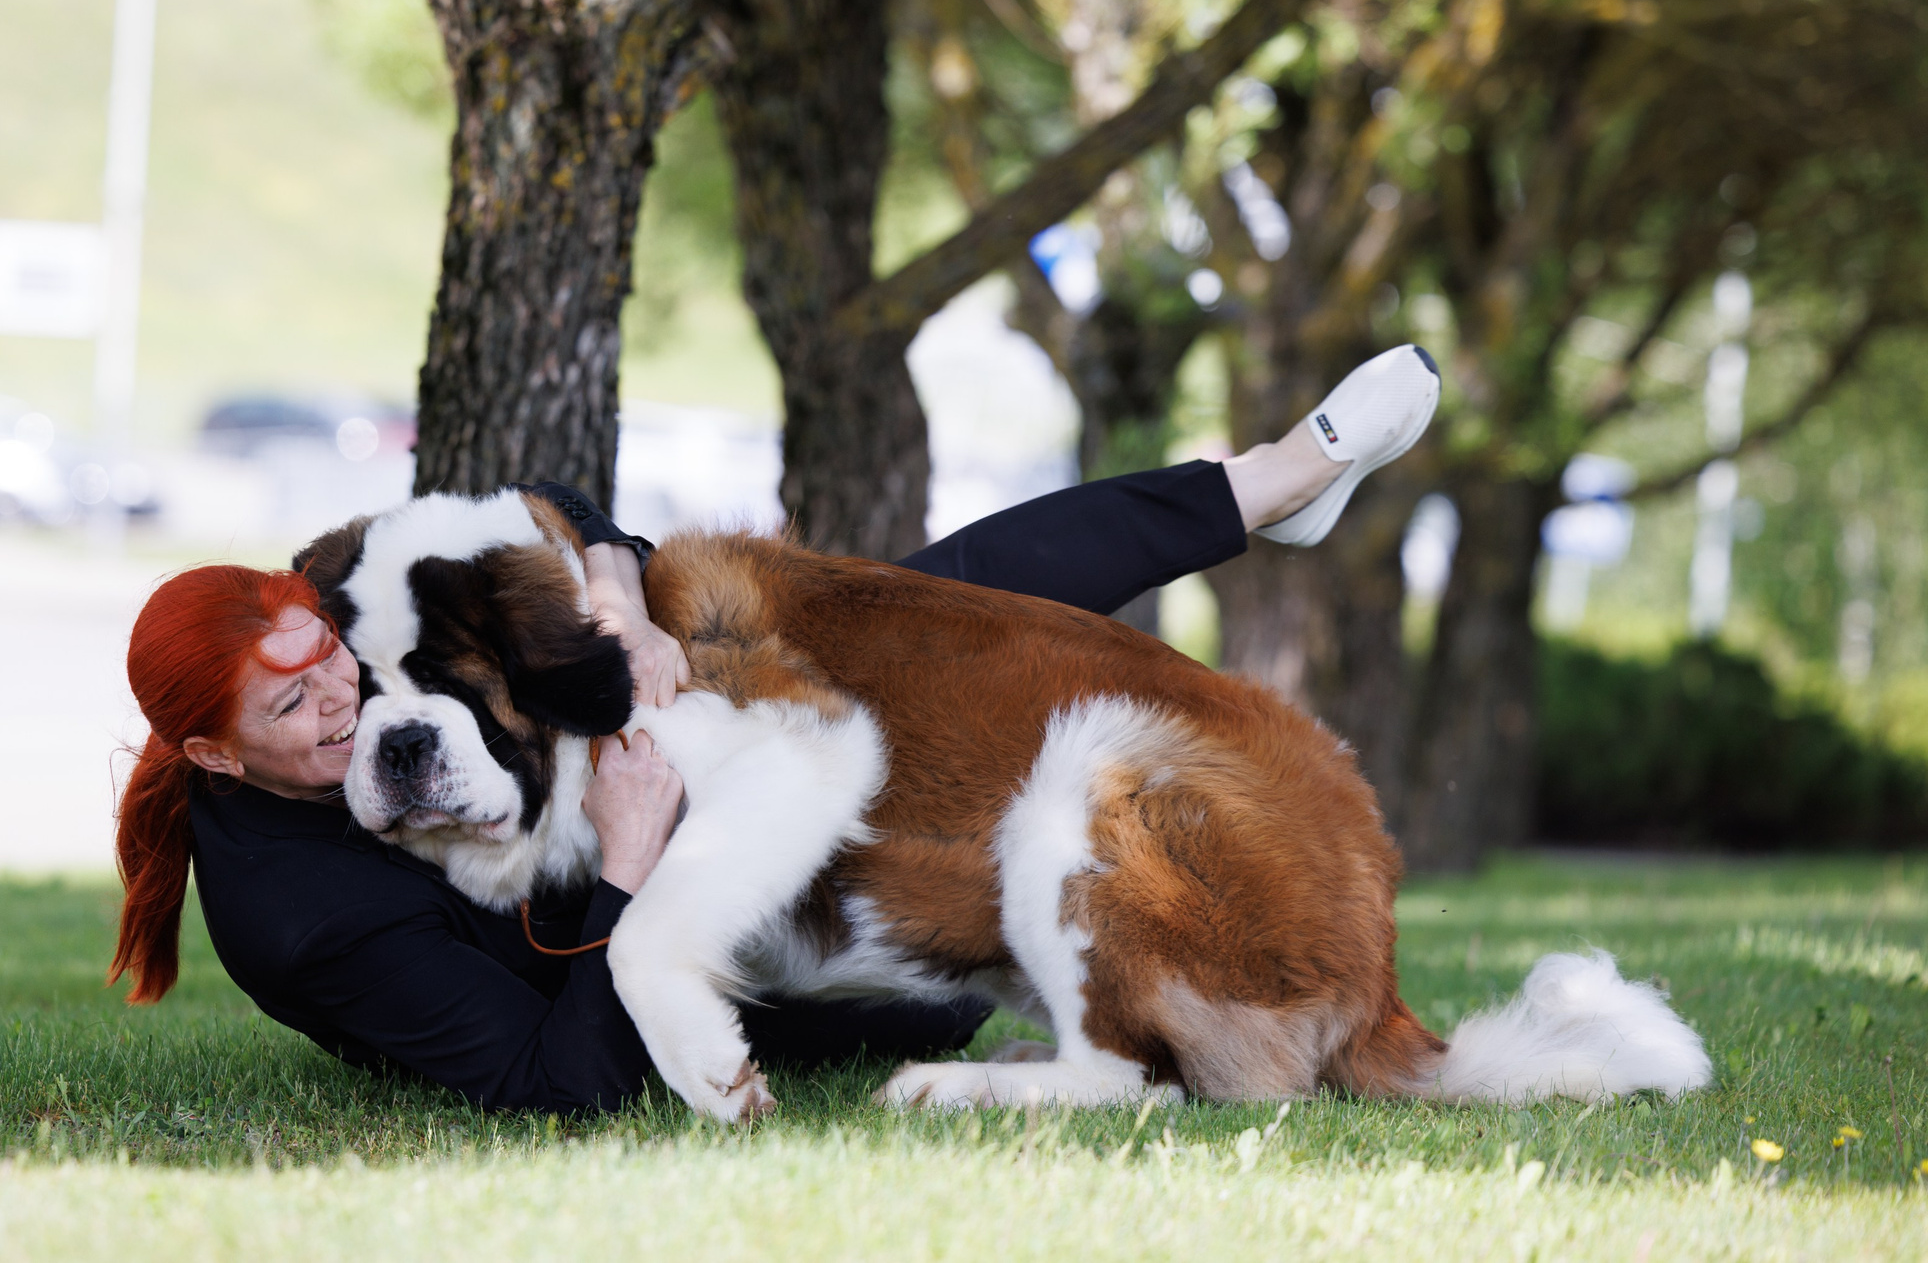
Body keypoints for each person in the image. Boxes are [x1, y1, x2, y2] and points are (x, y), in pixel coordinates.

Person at [110, 346, 1441, 1114]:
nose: (349, 703)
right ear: (221, 756)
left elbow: (534, 498)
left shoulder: (355, 636)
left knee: (927, 607)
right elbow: (549, 1079)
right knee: (936, 633)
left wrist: (622, 597)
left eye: (333, 663)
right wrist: (630, 866)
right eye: (297, 707)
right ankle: (1259, 494)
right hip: (796, 976)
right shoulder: (307, 917)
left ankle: (1262, 487)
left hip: (708, 820)